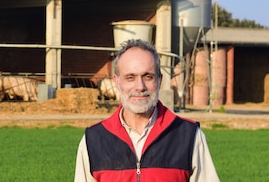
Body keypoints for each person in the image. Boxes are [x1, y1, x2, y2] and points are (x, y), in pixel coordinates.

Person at [74, 39, 219, 181]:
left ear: (160, 80)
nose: (140, 87)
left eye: (148, 77)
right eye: (130, 77)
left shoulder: (189, 136)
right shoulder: (93, 140)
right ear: (117, 82)